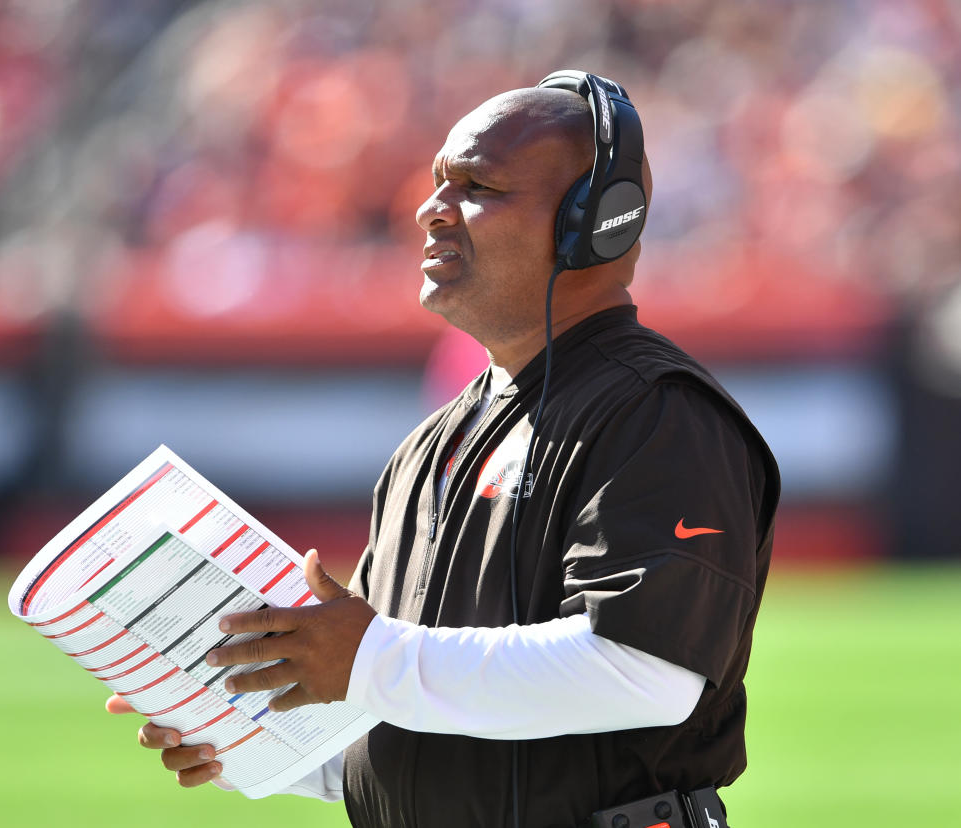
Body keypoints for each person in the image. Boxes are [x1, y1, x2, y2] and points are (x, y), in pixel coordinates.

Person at [109, 77, 780, 828]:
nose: (430, 210)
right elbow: (416, 716)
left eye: (476, 186)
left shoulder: (657, 413)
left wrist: (366, 660)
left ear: (594, 224)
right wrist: (255, 735)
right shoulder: (430, 446)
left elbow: (643, 671)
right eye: (437, 184)